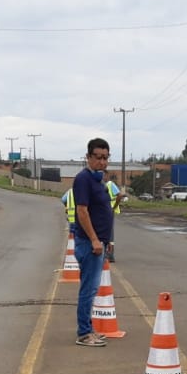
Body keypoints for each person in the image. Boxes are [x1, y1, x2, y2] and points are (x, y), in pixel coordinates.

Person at [70, 138, 117, 347]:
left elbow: (102, 210)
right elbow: (82, 211)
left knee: (91, 288)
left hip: (99, 243)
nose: (102, 162)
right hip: (90, 244)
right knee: (88, 289)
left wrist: (117, 200)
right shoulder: (83, 179)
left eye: (105, 158)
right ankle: (84, 333)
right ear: (88, 157)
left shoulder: (98, 181)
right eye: (98, 157)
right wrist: (95, 240)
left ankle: (89, 329)